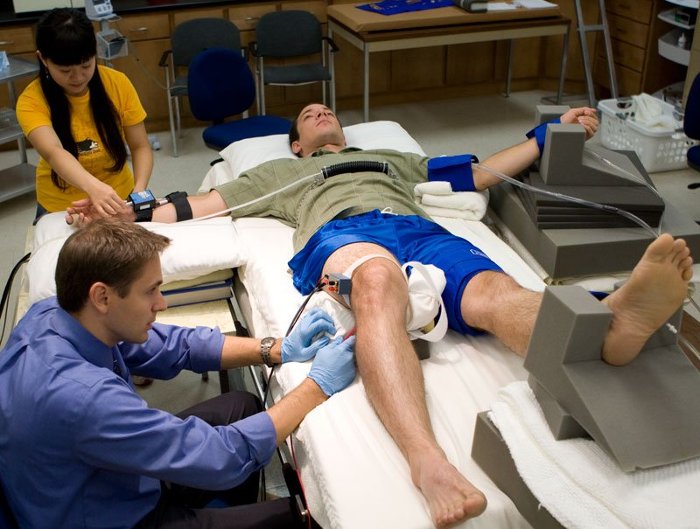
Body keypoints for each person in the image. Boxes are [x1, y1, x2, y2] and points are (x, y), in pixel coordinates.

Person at [67, 103, 695, 528]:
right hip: (341, 236)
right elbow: (196, 204)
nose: (320, 113)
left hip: (416, 227)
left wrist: (547, 132)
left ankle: (608, 329)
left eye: (328, 111)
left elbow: (480, 173)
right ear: (295, 142)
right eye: (308, 115)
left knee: (489, 295)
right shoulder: (278, 171)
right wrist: (126, 216)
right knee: (376, 283)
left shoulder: (393, 161)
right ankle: (428, 462)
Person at [0, 218, 356, 529]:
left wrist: (274, 348)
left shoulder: (55, 313)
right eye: (151, 291)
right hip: (111, 516)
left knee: (243, 406)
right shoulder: (81, 397)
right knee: (298, 519)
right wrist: (316, 386)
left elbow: (173, 345)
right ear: (102, 297)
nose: (162, 303)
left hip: (106, 478)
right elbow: (221, 456)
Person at [16, 8, 153, 222]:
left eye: (86, 65)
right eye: (65, 70)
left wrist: (138, 192)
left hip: (118, 198)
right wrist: (94, 188)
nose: (78, 77)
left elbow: (140, 146)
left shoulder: (117, 83)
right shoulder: (31, 100)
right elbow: (53, 152)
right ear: (43, 59)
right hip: (60, 207)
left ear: (94, 51)